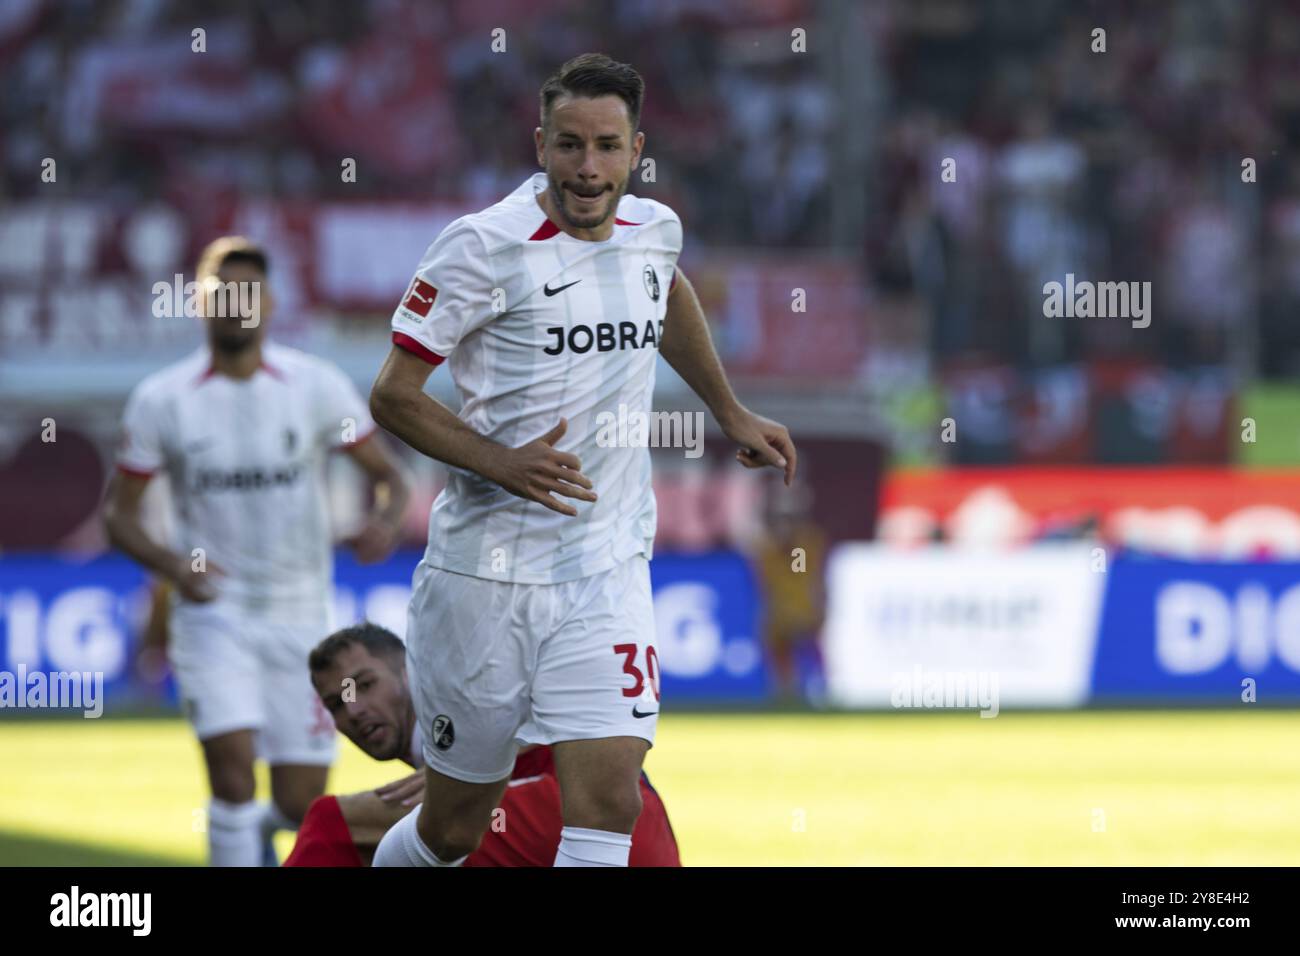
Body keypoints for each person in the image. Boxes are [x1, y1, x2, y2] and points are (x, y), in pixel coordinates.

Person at [367, 53, 796, 868]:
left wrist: (729, 409)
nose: (588, 168)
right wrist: (503, 463)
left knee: (607, 803)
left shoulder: (653, 230)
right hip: (485, 579)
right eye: (569, 145)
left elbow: (664, 292)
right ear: (540, 144)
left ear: (637, 150)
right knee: (455, 825)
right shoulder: (481, 247)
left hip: (606, 569)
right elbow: (393, 395)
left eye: (606, 146)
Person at [102, 236, 411, 866]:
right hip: (216, 615)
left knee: (301, 805)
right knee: (232, 775)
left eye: (251, 293)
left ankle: (253, 838)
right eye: (224, 293)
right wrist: (174, 569)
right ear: (201, 301)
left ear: (269, 304)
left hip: (303, 616)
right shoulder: (163, 400)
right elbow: (119, 515)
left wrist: (383, 522)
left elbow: (392, 478)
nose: (238, 305)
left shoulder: (316, 386)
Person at [286, 623, 680, 866]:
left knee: (333, 823)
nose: (354, 711)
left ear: (408, 672)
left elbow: (558, 705)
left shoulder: (451, 683)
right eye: (337, 704)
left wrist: (472, 770)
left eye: (365, 685)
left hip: (585, 813)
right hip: (630, 827)